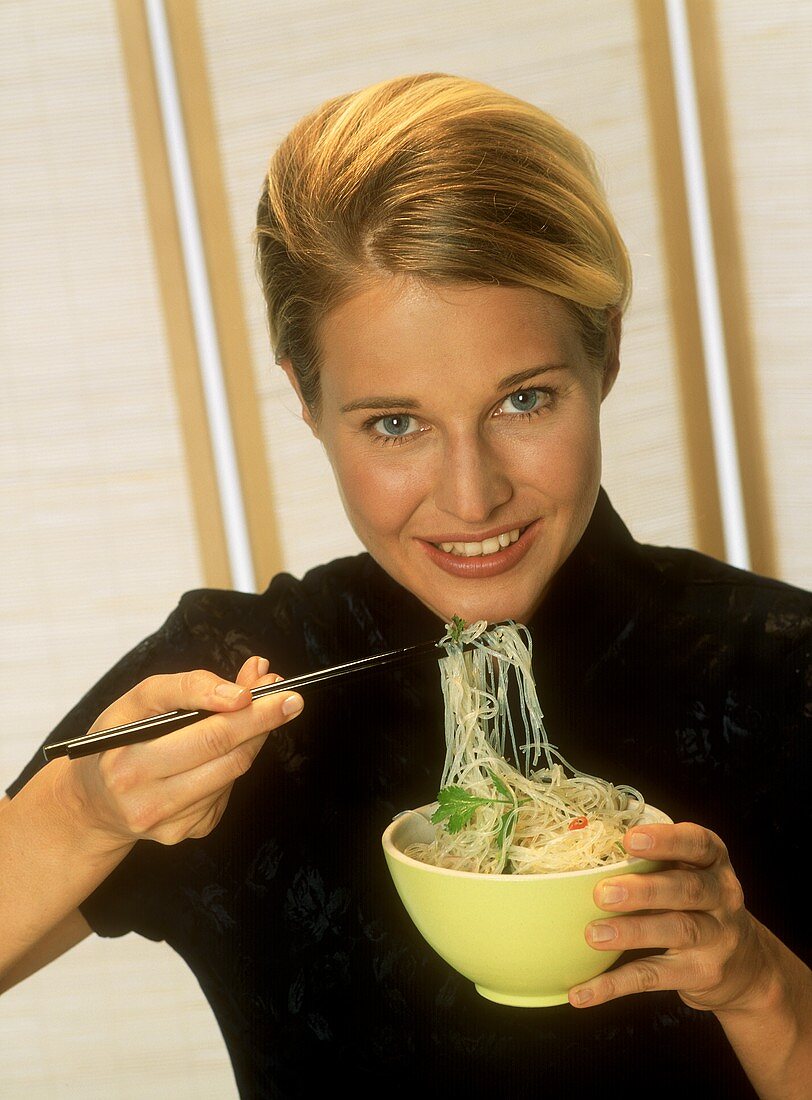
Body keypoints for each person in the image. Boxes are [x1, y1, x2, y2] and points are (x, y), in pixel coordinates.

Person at [1, 73, 809, 1098]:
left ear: (603, 349)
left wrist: (757, 984)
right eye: (395, 423)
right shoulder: (241, 680)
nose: (470, 496)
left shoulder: (783, 668)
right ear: (304, 399)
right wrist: (83, 810)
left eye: (522, 399)